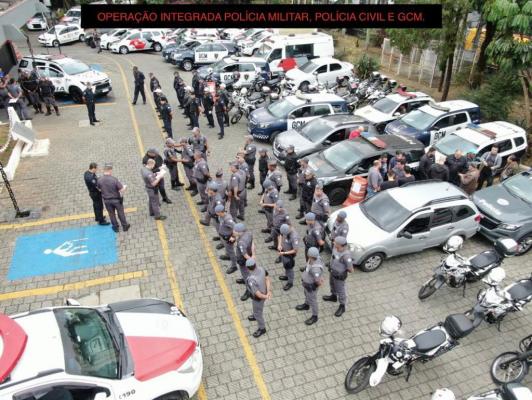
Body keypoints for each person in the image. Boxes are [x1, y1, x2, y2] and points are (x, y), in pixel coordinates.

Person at [322, 236, 354, 317]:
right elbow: (333, 257)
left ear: (340, 245)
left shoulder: (346, 255)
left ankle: (342, 306)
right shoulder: (335, 248)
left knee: (341, 291)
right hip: (332, 272)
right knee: (332, 284)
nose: (333, 243)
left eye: (335, 242)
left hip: (339, 276)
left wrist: (342, 271)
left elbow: (351, 269)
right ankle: (333, 296)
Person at [96, 163, 130, 233]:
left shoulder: (99, 179)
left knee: (111, 214)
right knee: (120, 213)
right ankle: (125, 226)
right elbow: (121, 190)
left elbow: (99, 189)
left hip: (106, 200)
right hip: (116, 200)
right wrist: (125, 187)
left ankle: (115, 227)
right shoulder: (114, 179)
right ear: (110, 170)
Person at [296, 246, 325, 326]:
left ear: (309, 255)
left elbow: (318, 280)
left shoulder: (315, 269)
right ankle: (306, 305)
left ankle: (315, 316)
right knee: (306, 294)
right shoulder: (314, 258)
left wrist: (317, 284)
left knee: (313, 300)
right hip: (306, 284)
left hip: (311, 287)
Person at [245, 258, 271, 338]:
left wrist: (266, 297)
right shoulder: (262, 269)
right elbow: (267, 279)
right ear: (255, 265)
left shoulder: (251, 280)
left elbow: (258, 294)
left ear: (247, 268)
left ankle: (262, 328)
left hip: (258, 298)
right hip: (264, 292)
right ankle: (255, 315)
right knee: (257, 309)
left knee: (258, 313)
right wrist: (268, 291)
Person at [234, 222, 255, 301]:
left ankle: (249, 290)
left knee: (246, 274)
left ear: (240, 232)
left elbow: (244, 254)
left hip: (244, 260)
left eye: (235, 231)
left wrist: (251, 261)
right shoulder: (249, 233)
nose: (233, 232)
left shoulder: (241, 242)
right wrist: (253, 255)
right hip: (250, 254)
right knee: (246, 274)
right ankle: (245, 278)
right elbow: (252, 243)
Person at [277, 223, 300, 291]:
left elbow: (295, 250)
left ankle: (290, 282)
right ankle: (287, 276)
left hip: (289, 255)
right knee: (285, 266)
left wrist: (284, 253)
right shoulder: (285, 228)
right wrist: (279, 244)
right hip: (284, 252)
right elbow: (280, 235)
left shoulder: (294, 237)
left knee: (289, 268)